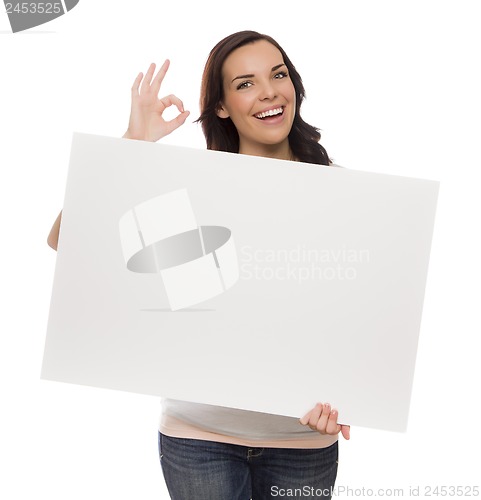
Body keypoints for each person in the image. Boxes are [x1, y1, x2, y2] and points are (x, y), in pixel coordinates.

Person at [48, 30, 350, 500]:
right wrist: (132, 145)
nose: (269, 91)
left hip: (303, 440)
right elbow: (66, 241)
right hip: (199, 438)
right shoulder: (189, 186)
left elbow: (362, 315)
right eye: (246, 83)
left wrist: (353, 394)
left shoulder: (342, 192)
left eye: (278, 75)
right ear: (223, 106)